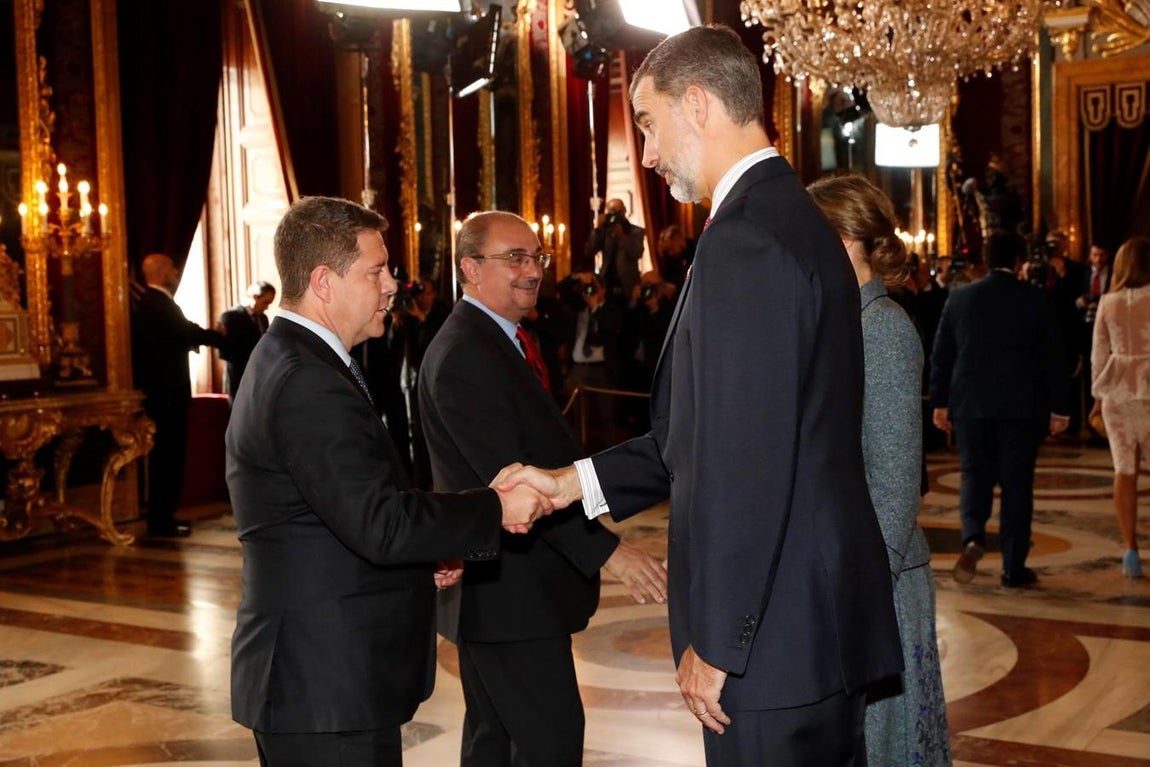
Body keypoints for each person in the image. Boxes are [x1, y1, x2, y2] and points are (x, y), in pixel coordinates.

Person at [499, 25, 902, 766]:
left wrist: (720, 640)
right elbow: (699, 432)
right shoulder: (793, 218)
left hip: (772, 640)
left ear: (697, 104)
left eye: (648, 125)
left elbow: (747, 463)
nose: (647, 155)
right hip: (805, 628)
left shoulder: (747, 235)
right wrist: (566, 485)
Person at [225, 196, 554, 767]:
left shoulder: (295, 358)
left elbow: (341, 509)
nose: (391, 286)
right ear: (324, 281)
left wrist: (432, 549)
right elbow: (381, 523)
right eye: (376, 271)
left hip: (322, 678)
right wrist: (494, 507)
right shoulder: (307, 381)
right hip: (323, 684)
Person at [418, 211, 668, 767]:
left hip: (507, 594)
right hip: (507, 593)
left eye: (536, 257)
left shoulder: (497, 340)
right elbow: (517, 484)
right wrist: (611, 551)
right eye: (515, 258)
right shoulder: (465, 353)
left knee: (498, 741)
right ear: (470, 268)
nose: (531, 270)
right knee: (547, 742)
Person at [808, 175, 952, 767]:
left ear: (845, 240)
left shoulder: (883, 327)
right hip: (854, 575)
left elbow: (894, 487)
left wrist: (860, 595)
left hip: (878, 581)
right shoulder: (844, 323)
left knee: (885, 745)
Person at [931, 233, 1070, 588]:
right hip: (1022, 406)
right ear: (1019, 259)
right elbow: (1054, 357)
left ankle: (974, 536)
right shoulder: (1036, 298)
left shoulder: (959, 298)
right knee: (1017, 484)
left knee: (973, 473)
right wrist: (1061, 409)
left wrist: (940, 402)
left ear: (985, 259)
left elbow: (942, 355)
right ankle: (1013, 566)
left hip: (970, 403)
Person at [130, 252, 225, 537]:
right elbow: (184, 333)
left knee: (170, 458)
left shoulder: (157, 303)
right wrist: (217, 336)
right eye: (171, 266)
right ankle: (161, 521)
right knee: (167, 459)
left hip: (166, 395)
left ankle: (165, 517)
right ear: (160, 272)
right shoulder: (156, 304)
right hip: (165, 397)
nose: (175, 270)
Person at [1090, 236, 1150, 578]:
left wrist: (1097, 398)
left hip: (1118, 392)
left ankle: (1130, 548)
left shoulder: (1109, 302)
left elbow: (1099, 352)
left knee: (1124, 469)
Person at [218, 281, 276, 402]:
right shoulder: (230, 316)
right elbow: (225, 352)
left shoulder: (263, 319)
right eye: (265, 302)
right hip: (239, 378)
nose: (267, 307)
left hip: (259, 378)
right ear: (255, 297)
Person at [582, 198, 645, 298]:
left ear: (624, 211)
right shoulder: (603, 232)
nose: (614, 216)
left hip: (627, 285)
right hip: (606, 283)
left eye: (618, 212)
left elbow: (637, 253)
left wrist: (622, 237)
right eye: (611, 212)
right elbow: (589, 251)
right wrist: (597, 229)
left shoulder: (636, 231)